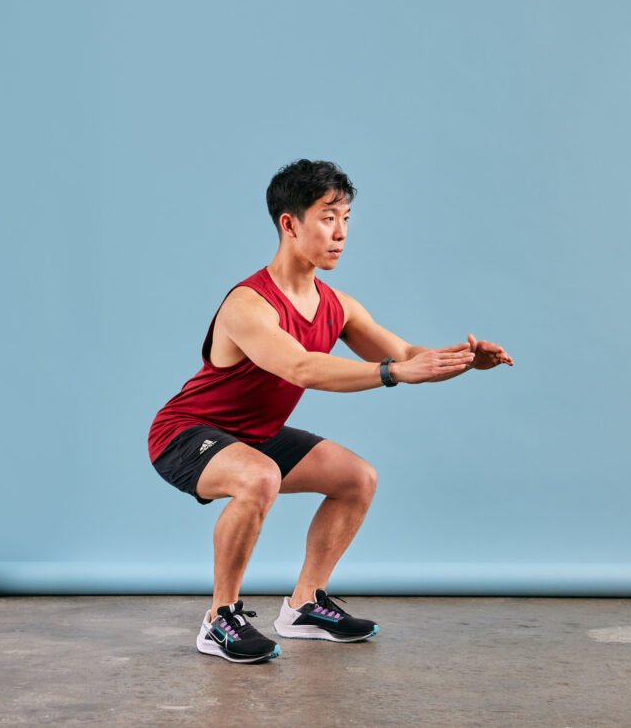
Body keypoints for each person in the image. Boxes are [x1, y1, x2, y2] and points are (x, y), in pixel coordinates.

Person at [148, 159, 514, 664]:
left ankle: (303, 606)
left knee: (356, 478)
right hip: (186, 433)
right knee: (260, 478)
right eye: (327, 217)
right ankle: (219, 619)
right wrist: (390, 373)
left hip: (256, 433)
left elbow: (406, 355)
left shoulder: (337, 305)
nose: (340, 232)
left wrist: (465, 361)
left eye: (346, 217)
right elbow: (302, 368)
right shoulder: (249, 304)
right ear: (290, 223)